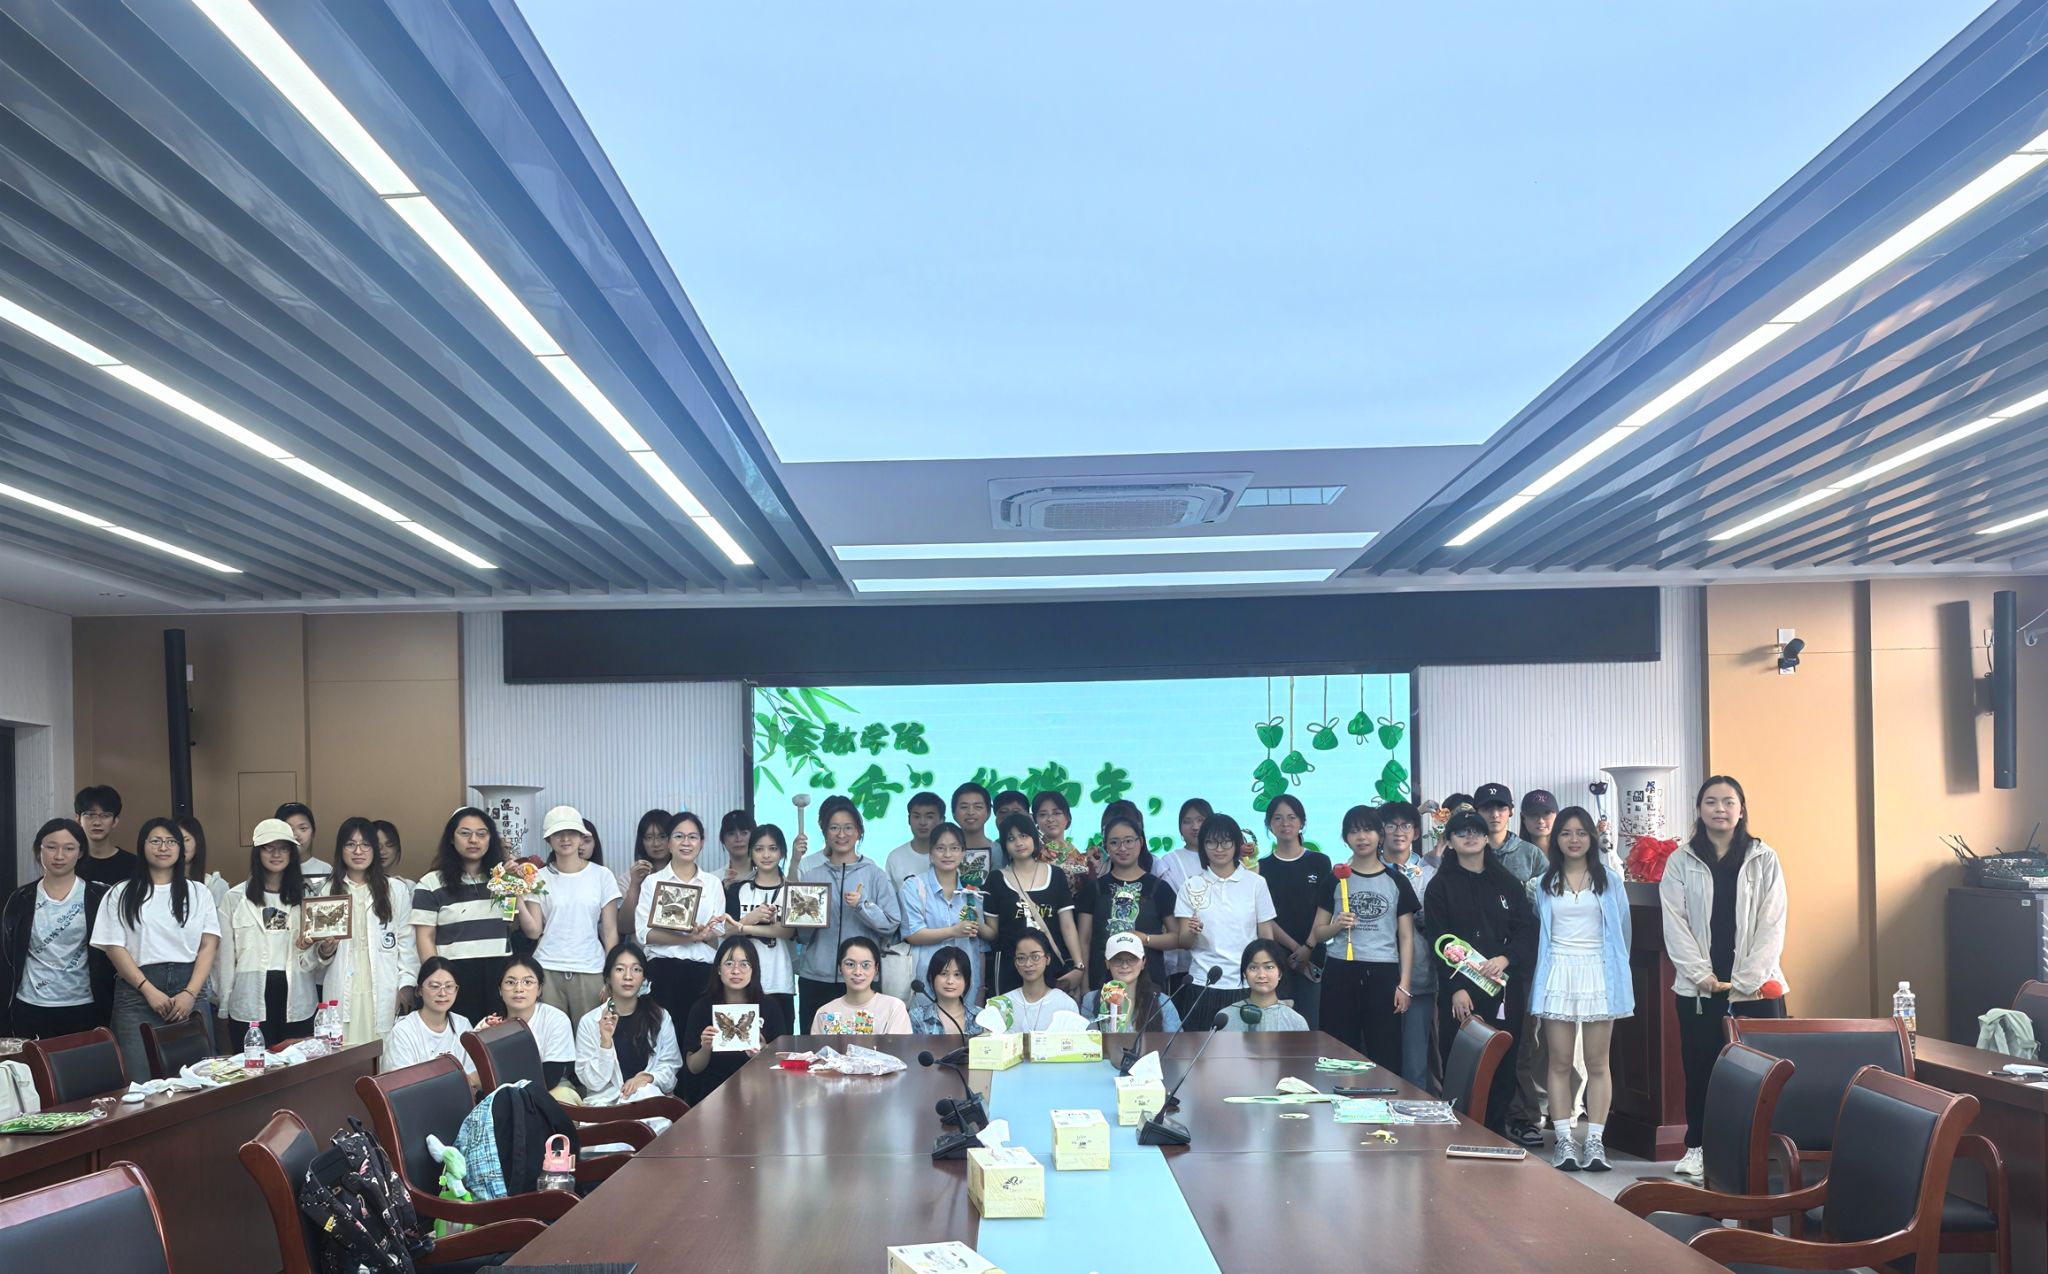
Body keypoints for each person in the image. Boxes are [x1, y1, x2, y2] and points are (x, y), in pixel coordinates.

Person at [1662, 775, 1789, 1180]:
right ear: (1699, 809)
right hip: (1699, 990)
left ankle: (1759, 1152)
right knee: (1701, 1070)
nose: (1720, 809)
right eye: (1711, 801)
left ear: (1741, 809)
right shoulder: (1681, 860)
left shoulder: (1763, 857)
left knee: (1760, 1076)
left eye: (1728, 802)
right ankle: (1698, 1148)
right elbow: (1675, 923)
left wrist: (1746, 980)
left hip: (1757, 990)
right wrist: (1701, 974)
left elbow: (1773, 922)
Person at [1530, 806, 1633, 1172]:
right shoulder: (1543, 884)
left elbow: (1623, 933)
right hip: (1558, 971)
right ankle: (1563, 1140)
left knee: (1597, 1063)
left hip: (1598, 974)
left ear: (1591, 837)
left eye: (1581, 833)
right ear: (1556, 839)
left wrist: (1618, 975)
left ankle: (1594, 1141)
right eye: (1565, 833)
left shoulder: (1610, 881)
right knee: (1559, 1061)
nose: (1573, 840)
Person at [1424, 807, 1536, 1134]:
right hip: (1461, 993)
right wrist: (1454, 988)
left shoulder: (1507, 883)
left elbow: (1527, 931)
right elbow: (1437, 940)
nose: (1469, 837)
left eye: (1476, 831)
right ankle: (1461, 1132)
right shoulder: (1440, 886)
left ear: (1487, 838)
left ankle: (1496, 1134)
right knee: (1460, 1063)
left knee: (1503, 1061)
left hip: (1502, 987)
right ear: (1450, 841)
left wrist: (1506, 958)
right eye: (1461, 832)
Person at [92, 817, 222, 1080]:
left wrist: (190, 993)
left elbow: (209, 945)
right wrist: (148, 990)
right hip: (137, 994)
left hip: (190, 990)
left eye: (171, 841)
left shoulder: (199, 892)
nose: (163, 847)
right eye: (155, 841)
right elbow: (114, 948)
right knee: (138, 1083)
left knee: (197, 1080)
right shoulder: (121, 892)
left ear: (181, 848)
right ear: (142, 846)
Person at [1310, 806, 1417, 1070]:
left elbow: (1406, 938)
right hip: (1340, 970)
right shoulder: (1334, 880)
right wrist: (1337, 925)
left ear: (1380, 835)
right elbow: (1317, 933)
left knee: (1386, 1053)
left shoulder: (1397, 881)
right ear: (1345, 837)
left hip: (1383, 972)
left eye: (1368, 830)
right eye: (1354, 831)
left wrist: (1404, 985)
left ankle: (1385, 1096)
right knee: (1337, 1052)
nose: (1361, 837)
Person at [1474, 782, 1547, 1146]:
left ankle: (1522, 1117)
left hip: (1521, 964)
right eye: (1487, 808)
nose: (1494, 814)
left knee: (1521, 1044)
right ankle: (1480, 1114)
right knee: (1478, 1040)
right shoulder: (1467, 851)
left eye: (1500, 807)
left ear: (1510, 811)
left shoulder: (1531, 855)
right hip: (1474, 966)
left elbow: (1548, 905)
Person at [791, 797, 901, 1027]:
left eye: (848, 827)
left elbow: (891, 923)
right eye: (834, 828)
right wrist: (805, 920)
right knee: (814, 1043)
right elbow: (802, 936)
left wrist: (862, 906)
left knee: (861, 1044)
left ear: (859, 832)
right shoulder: (812, 875)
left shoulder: (874, 874)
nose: (841, 834)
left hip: (860, 979)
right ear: (825, 833)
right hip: (816, 977)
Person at [218, 819, 329, 1044]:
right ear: (257, 853)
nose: (276, 854)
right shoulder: (235, 898)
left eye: (283, 848)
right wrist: (223, 1005)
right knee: (254, 1063)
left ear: (291, 854)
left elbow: (310, 961)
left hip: (297, 997)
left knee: (297, 1063)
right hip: (249, 998)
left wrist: (324, 951)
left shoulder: (306, 900)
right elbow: (225, 959)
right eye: (269, 848)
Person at [1, 818, 114, 1037]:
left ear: (80, 852)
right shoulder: (21, 898)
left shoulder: (98, 897)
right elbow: (8, 953)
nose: (59, 856)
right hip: (30, 1004)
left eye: (69, 848)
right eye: (51, 847)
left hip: (84, 1004)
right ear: (39, 850)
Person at [1172, 813, 1278, 1029]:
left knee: (1249, 1050)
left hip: (1246, 984)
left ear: (1237, 844)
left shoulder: (1256, 883)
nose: (1219, 848)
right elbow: (1184, 942)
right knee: (1200, 1049)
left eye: (1226, 842)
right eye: (1211, 842)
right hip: (1203, 983)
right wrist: (1192, 931)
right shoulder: (1191, 885)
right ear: (1203, 846)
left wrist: (1267, 978)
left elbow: (1266, 939)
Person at [409, 807, 513, 1025]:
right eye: (465, 833)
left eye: (481, 834)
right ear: (451, 838)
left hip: (499, 975)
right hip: (454, 978)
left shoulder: (502, 880)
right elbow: (425, 937)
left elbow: (511, 923)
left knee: (496, 1038)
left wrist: (514, 885)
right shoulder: (430, 883)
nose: (473, 840)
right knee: (459, 1040)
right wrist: (438, 980)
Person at [519, 805, 621, 1024]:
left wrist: (611, 973)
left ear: (581, 837)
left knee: (592, 1036)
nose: (565, 839)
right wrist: (517, 897)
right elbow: (534, 931)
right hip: (547, 968)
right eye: (558, 833)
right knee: (550, 1037)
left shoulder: (602, 875)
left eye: (571, 832)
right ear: (548, 839)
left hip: (591, 968)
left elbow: (610, 931)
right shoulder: (538, 877)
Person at [322, 816, 418, 1046]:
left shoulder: (395, 890)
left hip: (384, 986)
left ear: (374, 849)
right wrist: (324, 951)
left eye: (365, 844)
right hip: (342, 987)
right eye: (350, 844)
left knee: (384, 1051)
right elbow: (313, 958)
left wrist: (406, 986)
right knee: (343, 1051)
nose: (358, 851)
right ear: (340, 849)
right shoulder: (328, 891)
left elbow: (407, 943)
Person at [634, 811, 730, 1024]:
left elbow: (719, 929)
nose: (686, 843)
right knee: (663, 1035)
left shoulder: (712, 883)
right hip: (663, 970)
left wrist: (704, 933)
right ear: (669, 843)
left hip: (704, 971)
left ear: (702, 843)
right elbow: (644, 934)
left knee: (699, 1035)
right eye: (679, 836)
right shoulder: (652, 882)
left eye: (693, 837)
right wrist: (688, 937)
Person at [1074, 812, 1179, 989]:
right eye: (1114, 842)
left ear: (1141, 842)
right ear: (1106, 846)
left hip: (1149, 985)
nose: (1122, 848)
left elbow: (1177, 938)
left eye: (1129, 841)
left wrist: (1145, 939)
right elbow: (1084, 941)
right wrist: (1084, 988)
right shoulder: (1094, 889)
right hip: (1102, 985)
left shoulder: (1160, 888)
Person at [1378, 800, 1439, 1093]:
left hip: (1418, 977)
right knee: (1377, 1059)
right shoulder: (1363, 869)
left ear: (1415, 832)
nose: (1398, 831)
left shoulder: (1429, 872)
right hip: (1375, 975)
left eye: (1406, 825)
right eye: (1391, 825)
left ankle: (1416, 1117)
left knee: (1415, 1063)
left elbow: (1435, 923)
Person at [682, 935, 789, 1102]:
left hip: (760, 1092)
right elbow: (693, 1068)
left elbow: (782, 1063)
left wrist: (763, 1051)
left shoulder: (770, 1007)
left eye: (744, 964)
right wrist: (705, 1047)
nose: (736, 971)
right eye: (729, 963)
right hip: (714, 1093)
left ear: (754, 969)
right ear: (718, 969)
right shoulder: (702, 1008)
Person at [985, 814, 1082, 996]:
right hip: (1011, 967)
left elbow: (1068, 925)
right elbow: (993, 932)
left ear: (1034, 837)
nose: (1019, 843)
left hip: (1051, 965)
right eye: (1011, 839)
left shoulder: (1055, 875)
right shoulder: (995, 879)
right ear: (1004, 845)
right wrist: (972, 921)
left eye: (1024, 836)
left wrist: (1079, 965)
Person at [1258, 794, 1332, 1029]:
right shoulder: (1262, 867)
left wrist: (1308, 948)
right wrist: (1294, 948)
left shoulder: (1320, 862)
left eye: (1291, 817)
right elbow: (1264, 916)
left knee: (1311, 1027)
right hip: (1277, 958)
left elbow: (1325, 908)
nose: (1285, 823)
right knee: (1278, 1028)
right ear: (1269, 824)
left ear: (1302, 822)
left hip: (1314, 957)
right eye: (1278, 818)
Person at [576, 942, 681, 1103]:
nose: (628, 976)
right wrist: (605, 1044)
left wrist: (647, 1078)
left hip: (647, 1099)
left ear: (644, 977)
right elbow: (592, 1083)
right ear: (608, 977)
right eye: (620, 969)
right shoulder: (590, 1021)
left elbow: (670, 1067)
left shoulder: (660, 1017)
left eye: (636, 969)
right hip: (605, 1104)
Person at [899, 821, 988, 1004]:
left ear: (963, 853)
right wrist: (953, 931)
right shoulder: (914, 886)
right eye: (940, 848)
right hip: (925, 982)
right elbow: (913, 934)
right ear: (930, 853)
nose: (947, 854)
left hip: (966, 984)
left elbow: (980, 946)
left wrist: (980, 988)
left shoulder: (972, 891)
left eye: (954, 848)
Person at [725, 823, 798, 1025]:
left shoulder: (791, 890)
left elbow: (788, 931)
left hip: (779, 981)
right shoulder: (738, 890)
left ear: (782, 852)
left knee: (781, 1040)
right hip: (741, 981)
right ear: (750, 853)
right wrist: (750, 918)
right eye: (759, 849)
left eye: (773, 848)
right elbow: (725, 931)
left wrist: (743, 928)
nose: (766, 855)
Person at [480, 954, 577, 1089]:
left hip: (550, 1089)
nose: (519, 989)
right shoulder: (487, 1026)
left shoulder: (556, 1019)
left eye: (528, 982)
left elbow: (551, 1077)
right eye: (510, 982)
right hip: (502, 1093)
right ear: (500, 990)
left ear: (539, 989)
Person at [884, 791, 947, 997]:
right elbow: (891, 905)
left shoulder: (950, 856)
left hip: (949, 944)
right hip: (909, 948)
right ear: (908, 819)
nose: (923, 822)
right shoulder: (895, 857)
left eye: (930, 816)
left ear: (942, 820)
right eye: (916, 816)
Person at [1151, 797, 1211, 996]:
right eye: (1187, 821)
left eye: (1201, 820)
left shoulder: (1223, 859)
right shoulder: (1169, 862)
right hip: (1183, 958)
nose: (1195, 827)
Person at [382, 957, 477, 1082]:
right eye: (434, 986)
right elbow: (400, 1084)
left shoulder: (462, 1025)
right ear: (419, 990)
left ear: (456, 990)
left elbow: (475, 1077)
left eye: (449, 986)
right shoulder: (403, 1031)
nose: (442, 993)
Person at [1079, 932, 1181, 1033]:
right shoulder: (1091, 1000)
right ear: (1107, 963)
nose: (1125, 966)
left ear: (1143, 963)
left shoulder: (1162, 1002)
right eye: (1117, 960)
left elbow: (1176, 1041)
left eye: (1132, 959)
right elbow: (1087, 1039)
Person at [980, 930, 1078, 1033]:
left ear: (1048, 959)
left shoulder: (1065, 1004)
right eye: (1021, 958)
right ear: (1015, 962)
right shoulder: (1001, 1005)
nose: (1028, 964)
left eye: (1035, 957)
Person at [811, 935, 911, 1034]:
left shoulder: (894, 1008)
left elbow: (898, 1045)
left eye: (866, 965)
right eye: (850, 964)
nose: (858, 972)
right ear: (840, 968)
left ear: (876, 969)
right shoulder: (825, 1012)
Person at [1217, 940, 1310, 1031]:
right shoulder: (1226, 1018)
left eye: (1269, 967)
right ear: (1245, 974)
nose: (1261, 975)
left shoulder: (1296, 1022)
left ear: (1280, 974)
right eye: (1253, 968)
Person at [621, 807, 674, 927]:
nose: (656, 843)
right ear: (641, 841)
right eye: (649, 837)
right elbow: (624, 927)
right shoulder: (628, 878)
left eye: (662, 836)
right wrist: (635, 885)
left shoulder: (684, 874)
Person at [910, 944, 979, 1035]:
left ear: (966, 980)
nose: (950, 981)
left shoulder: (981, 1017)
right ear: (931, 977)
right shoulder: (917, 1017)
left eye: (957, 974)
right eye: (944, 974)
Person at [73, 784, 133, 887]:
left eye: (105, 816)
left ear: (115, 821)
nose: (97, 822)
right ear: (78, 819)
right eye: (90, 815)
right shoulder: (69, 862)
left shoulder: (133, 864)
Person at [275, 802, 332, 890]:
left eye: (303, 829)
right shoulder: (272, 868)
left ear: (313, 833)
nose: (296, 836)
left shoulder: (326, 870)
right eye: (289, 829)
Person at [950, 783, 994, 888]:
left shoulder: (1000, 851)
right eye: (964, 807)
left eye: (978, 807)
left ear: (988, 812)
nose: (970, 812)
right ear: (953, 813)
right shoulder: (944, 853)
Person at [717, 809, 755, 883]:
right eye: (731, 834)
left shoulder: (769, 878)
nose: (739, 839)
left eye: (744, 833)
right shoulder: (714, 880)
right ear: (723, 839)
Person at [373, 820, 411, 889]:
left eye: (389, 845)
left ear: (397, 848)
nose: (382, 852)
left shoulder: (408, 886)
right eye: (377, 846)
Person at [1520, 790, 1559, 856]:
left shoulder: (1568, 852)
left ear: (1557, 815)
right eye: (1533, 814)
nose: (1541, 820)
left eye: (1547, 813)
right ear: (1523, 818)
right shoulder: (1514, 855)